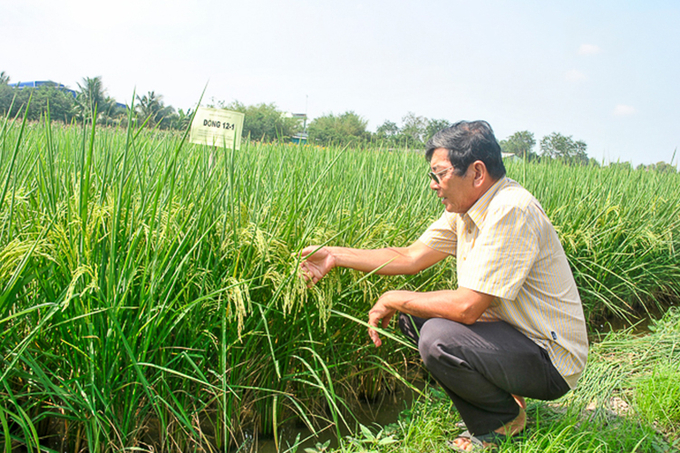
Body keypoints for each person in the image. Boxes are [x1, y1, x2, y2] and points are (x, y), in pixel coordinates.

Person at [299, 120, 588, 451]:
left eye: (439, 174)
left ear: (477, 173)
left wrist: (394, 297)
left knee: (438, 338)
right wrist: (335, 255)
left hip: (551, 360)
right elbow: (410, 256)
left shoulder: (510, 210)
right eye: (431, 176)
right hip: (514, 338)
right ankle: (507, 404)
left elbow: (467, 308)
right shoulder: (466, 209)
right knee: (415, 317)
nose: (434, 186)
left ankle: (500, 422)